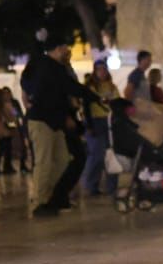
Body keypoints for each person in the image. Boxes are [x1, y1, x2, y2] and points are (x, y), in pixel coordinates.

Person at [23, 34, 103, 217]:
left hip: (55, 121)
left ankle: (52, 197)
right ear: (58, 49)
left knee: (63, 160)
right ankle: (40, 202)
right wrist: (95, 97)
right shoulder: (47, 67)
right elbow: (69, 87)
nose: (68, 51)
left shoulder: (53, 67)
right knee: (44, 162)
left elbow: (70, 87)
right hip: (42, 121)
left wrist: (94, 98)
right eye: (66, 48)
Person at [81, 59, 119, 197]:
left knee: (112, 155)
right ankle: (91, 185)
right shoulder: (90, 87)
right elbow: (85, 107)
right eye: (99, 69)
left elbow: (117, 103)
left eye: (104, 69)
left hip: (110, 122)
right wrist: (89, 125)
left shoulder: (112, 87)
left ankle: (112, 186)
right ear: (95, 71)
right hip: (95, 121)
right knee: (97, 155)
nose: (102, 72)